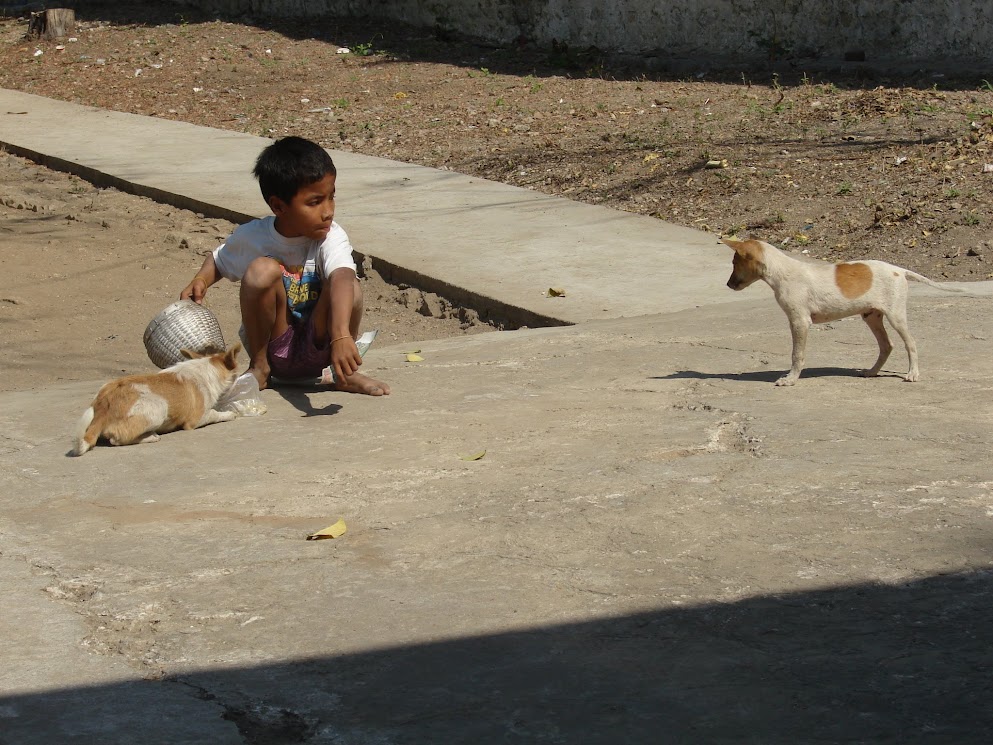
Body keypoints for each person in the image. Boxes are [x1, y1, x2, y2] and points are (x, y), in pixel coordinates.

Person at [180, 136, 389, 396]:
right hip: (277, 349)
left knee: (349, 286)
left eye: (331, 197)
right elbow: (220, 259)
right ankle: (259, 370)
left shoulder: (331, 236)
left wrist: (341, 336)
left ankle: (344, 374)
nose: (328, 211)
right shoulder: (254, 236)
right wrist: (201, 279)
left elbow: (343, 277)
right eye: (315, 202)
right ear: (279, 206)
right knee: (261, 271)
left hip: (327, 346)